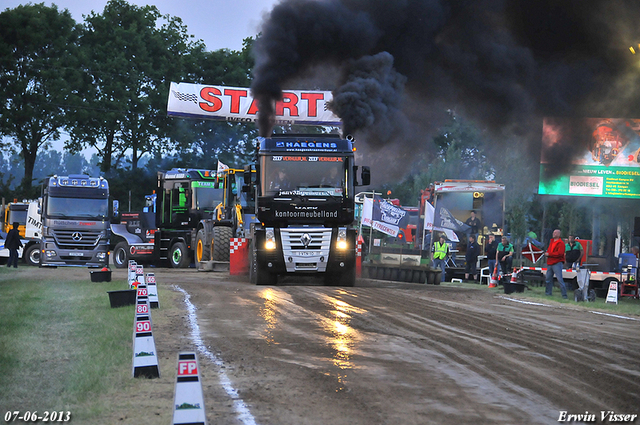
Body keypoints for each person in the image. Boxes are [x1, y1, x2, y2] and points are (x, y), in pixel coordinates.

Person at [545, 229, 567, 298]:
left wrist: (549, 254)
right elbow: (549, 250)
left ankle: (564, 295)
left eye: (555, 233)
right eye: (553, 232)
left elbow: (560, 253)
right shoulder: (551, 242)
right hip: (550, 262)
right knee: (548, 279)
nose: (554, 233)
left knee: (560, 279)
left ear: (559, 234)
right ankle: (548, 293)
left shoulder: (561, 243)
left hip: (557, 263)